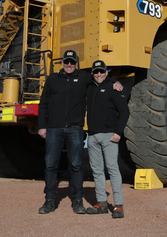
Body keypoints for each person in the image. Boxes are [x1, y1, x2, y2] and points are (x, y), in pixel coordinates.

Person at [37, 50, 121, 215]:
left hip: (75, 129)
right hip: (54, 128)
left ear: (76, 63)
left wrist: (115, 81)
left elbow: (100, 77)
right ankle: (49, 201)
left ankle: (77, 202)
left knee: (76, 166)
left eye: (72, 62)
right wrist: (42, 125)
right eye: (66, 61)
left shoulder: (84, 78)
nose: (69, 65)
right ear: (62, 62)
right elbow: (43, 104)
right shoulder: (53, 79)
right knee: (50, 165)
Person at [85, 60, 129, 219]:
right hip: (92, 137)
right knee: (97, 171)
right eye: (96, 72)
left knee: (112, 169)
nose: (99, 74)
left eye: (102, 71)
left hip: (109, 136)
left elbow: (124, 111)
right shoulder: (89, 88)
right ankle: (102, 204)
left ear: (106, 72)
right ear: (92, 73)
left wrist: (118, 132)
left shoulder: (113, 88)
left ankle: (118, 205)